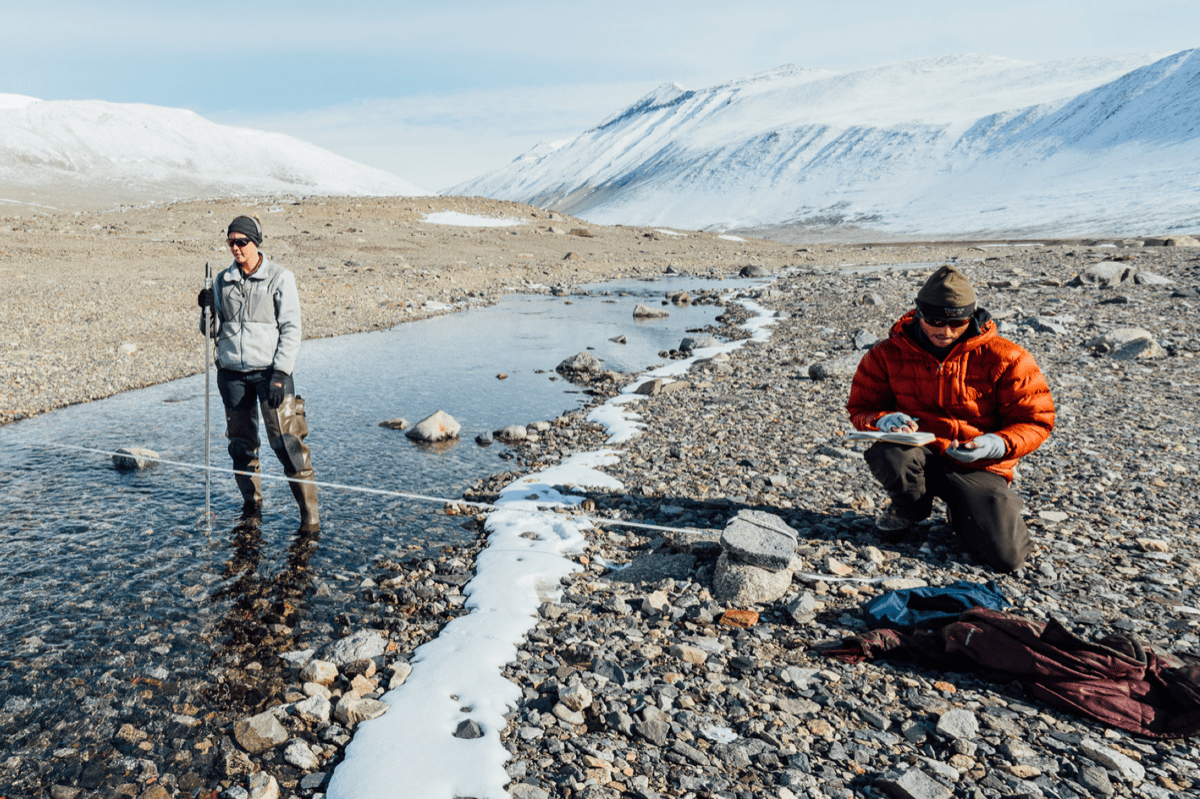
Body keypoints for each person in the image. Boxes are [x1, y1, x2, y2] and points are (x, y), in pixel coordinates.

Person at [846, 265, 1054, 572]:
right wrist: (883, 420)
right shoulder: (885, 354)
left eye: (957, 322)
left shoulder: (1006, 357)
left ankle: (966, 507)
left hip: (978, 462)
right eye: (936, 321)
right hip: (919, 453)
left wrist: (995, 444)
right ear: (918, 314)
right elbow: (861, 407)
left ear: (970, 317)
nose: (946, 331)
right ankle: (909, 507)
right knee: (889, 453)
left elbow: (1037, 420)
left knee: (1007, 557)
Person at [198, 215, 319, 531]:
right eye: (231, 242)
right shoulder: (222, 281)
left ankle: (310, 518)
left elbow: (292, 329)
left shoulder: (280, 278)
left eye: (241, 242)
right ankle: (252, 508)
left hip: (270, 375)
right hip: (232, 374)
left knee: (288, 444)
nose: (235, 248)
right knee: (241, 446)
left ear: (256, 242)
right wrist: (206, 307)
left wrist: (281, 372)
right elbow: (210, 332)